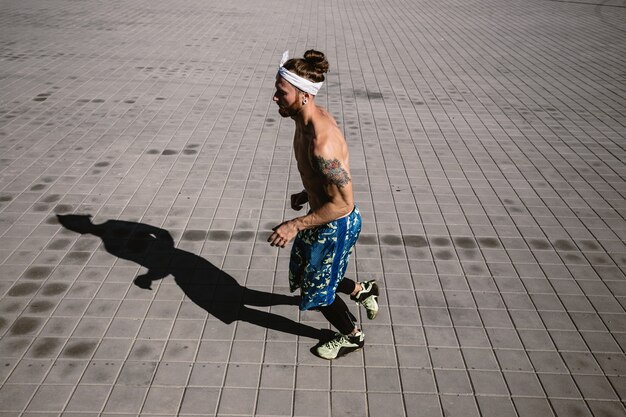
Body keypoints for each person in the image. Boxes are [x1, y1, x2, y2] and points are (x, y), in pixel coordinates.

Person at [267, 50, 380, 360]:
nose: (275, 97)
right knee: (310, 273)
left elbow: (343, 204)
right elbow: (324, 179)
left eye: (281, 92)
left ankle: (351, 337)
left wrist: (293, 224)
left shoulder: (322, 144)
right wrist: (307, 193)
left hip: (335, 223)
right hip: (322, 216)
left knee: (317, 292)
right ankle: (361, 291)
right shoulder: (302, 119)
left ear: (303, 95)